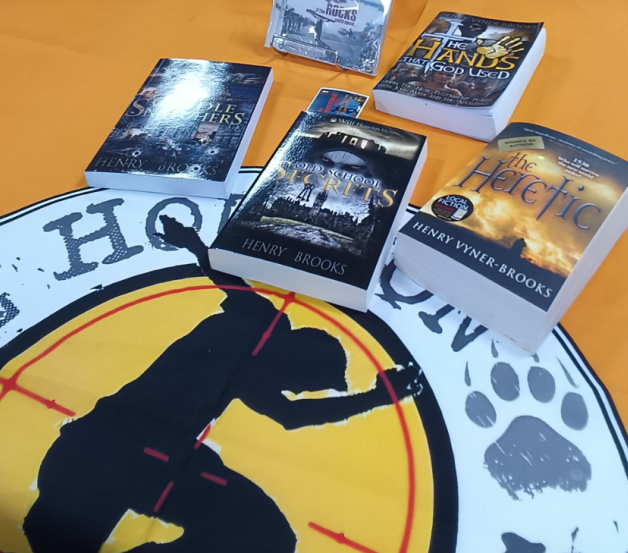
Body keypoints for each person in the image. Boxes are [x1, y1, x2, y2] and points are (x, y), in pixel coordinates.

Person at [23, 216, 422, 553]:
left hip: (133, 454)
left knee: (264, 532)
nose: (296, 391)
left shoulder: (260, 333)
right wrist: (378, 397)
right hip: (119, 454)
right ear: (300, 358)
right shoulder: (261, 338)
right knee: (264, 532)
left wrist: (194, 244)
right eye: (304, 384)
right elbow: (290, 414)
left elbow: (225, 281)